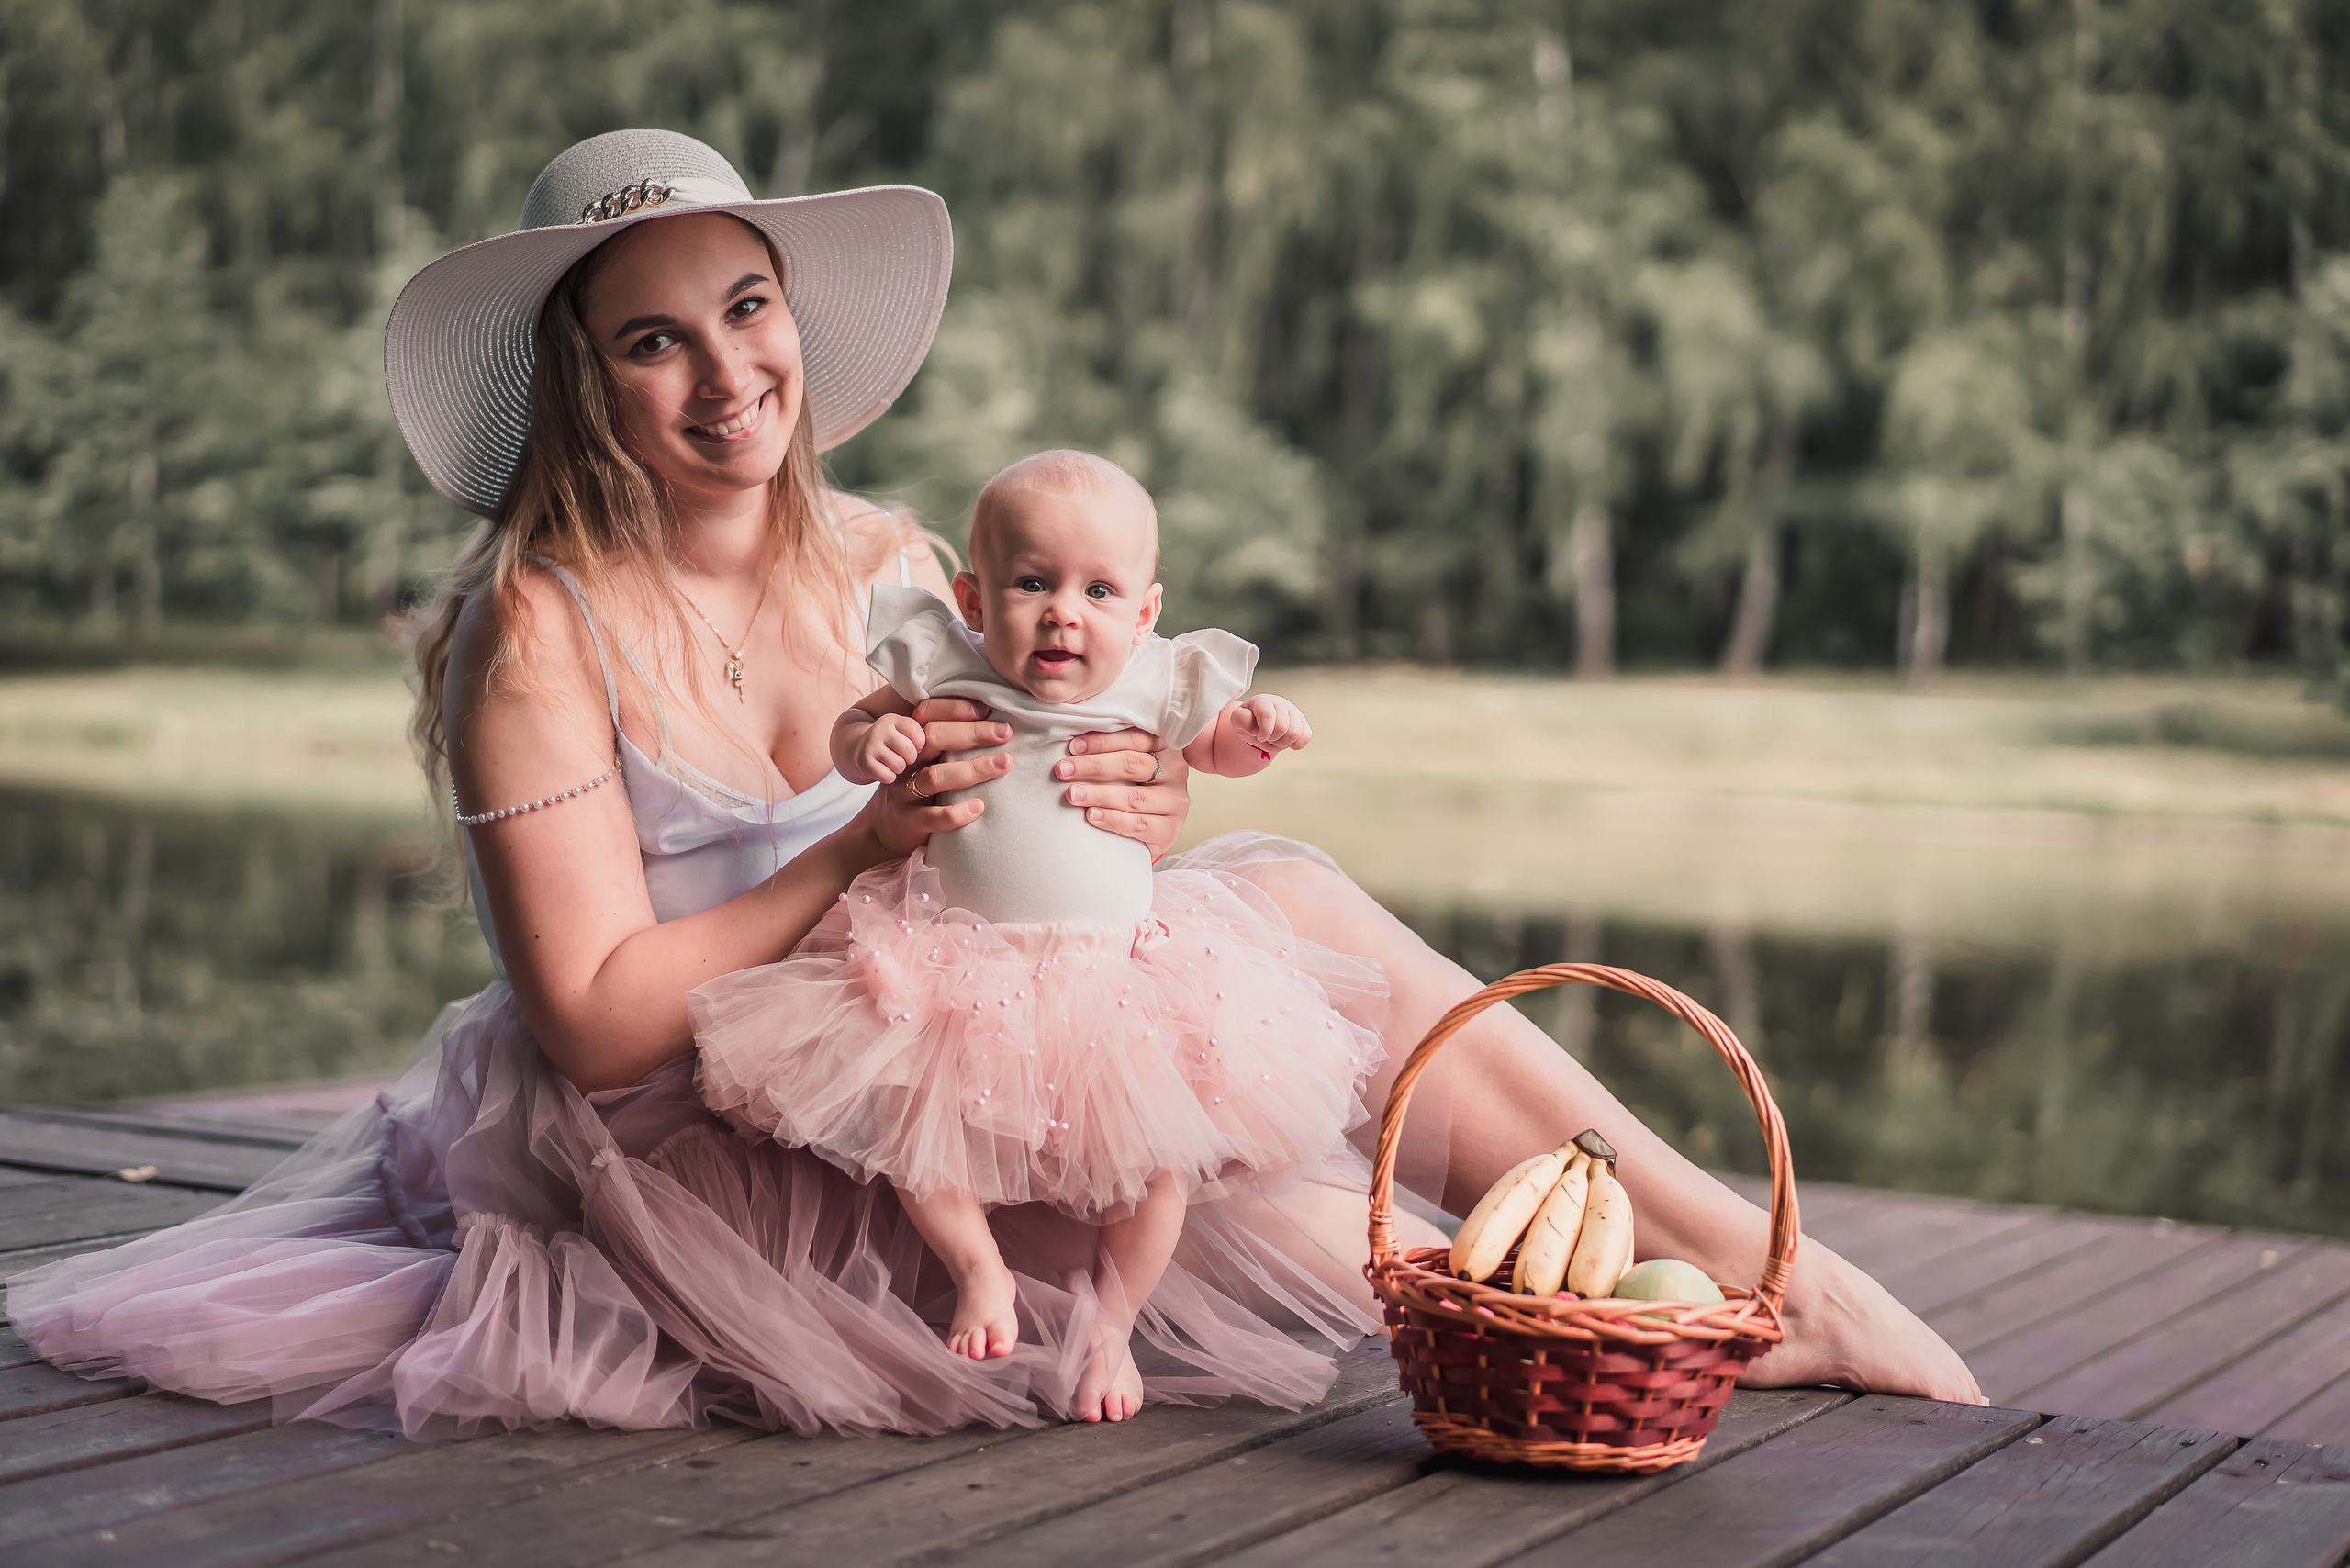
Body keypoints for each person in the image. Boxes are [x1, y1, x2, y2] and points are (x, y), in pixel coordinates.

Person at [6, 130, 1979, 1441]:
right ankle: (1736, 1281)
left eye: (748, 311)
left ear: (795, 319)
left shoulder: (880, 559)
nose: (723, 378)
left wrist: (1136, 811)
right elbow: (599, 1023)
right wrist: (862, 844)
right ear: (577, 382)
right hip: (698, 1125)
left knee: (1266, 888)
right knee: (1278, 1211)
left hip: (944, 1022)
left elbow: (1050, 795)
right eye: (653, 343)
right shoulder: (535, 628)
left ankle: (1754, 1265)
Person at [696, 448, 1377, 1421]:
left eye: (1098, 589)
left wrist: (1257, 731)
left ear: (1143, 613)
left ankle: (1111, 1320)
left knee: (1158, 1168)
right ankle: (980, 1269)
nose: (1064, 611)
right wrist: (869, 744)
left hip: (1116, 974)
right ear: (972, 597)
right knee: (916, 1133)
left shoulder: (1151, 680)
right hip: (953, 963)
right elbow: (859, 723)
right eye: (1031, 582)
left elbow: (1215, 746)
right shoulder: (944, 666)